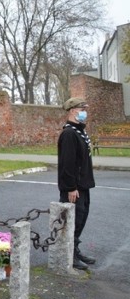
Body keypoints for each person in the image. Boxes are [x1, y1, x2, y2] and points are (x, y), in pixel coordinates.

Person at [57, 97, 96, 271]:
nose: (84, 111)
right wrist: (71, 187)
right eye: (82, 108)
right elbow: (67, 163)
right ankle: (69, 254)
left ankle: (75, 249)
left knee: (81, 218)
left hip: (83, 185)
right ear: (73, 110)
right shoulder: (69, 134)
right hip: (74, 188)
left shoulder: (78, 131)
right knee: (73, 220)